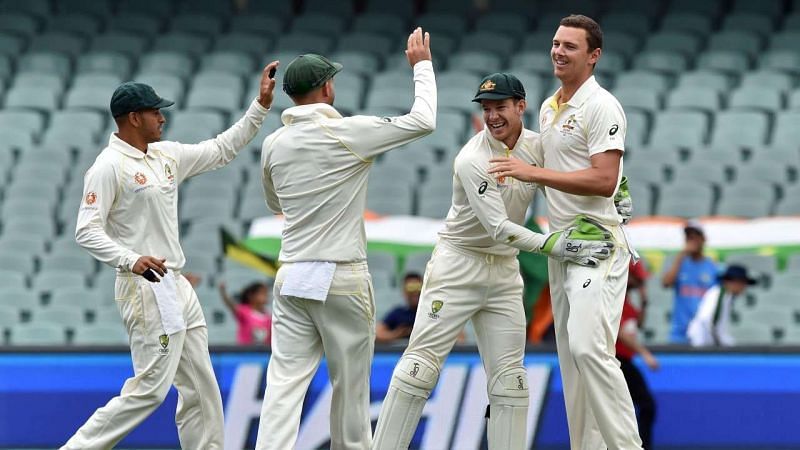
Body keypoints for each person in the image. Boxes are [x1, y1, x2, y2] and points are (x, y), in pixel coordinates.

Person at [372, 72, 615, 450]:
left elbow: (582, 171)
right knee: (418, 370)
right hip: (458, 265)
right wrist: (561, 246)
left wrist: (618, 196)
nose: (492, 116)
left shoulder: (538, 146)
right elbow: (500, 228)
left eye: (500, 107)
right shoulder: (473, 159)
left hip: (504, 272)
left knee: (511, 383)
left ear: (521, 106)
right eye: (486, 109)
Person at [63, 62, 279, 450]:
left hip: (176, 284)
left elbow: (220, 149)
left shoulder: (165, 156)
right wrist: (131, 259)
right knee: (149, 389)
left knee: (201, 385)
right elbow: (86, 229)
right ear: (133, 118)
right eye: (154, 112)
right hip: (145, 287)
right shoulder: (108, 166)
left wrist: (260, 106)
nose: (162, 118)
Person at [255, 28, 436, 450]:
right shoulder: (349, 132)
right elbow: (424, 121)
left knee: (283, 385)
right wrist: (422, 67)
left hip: (292, 274)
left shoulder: (274, 143)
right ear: (326, 88)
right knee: (351, 388)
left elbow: (273, 201)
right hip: (339, 275)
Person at [488, 14, 643, 449]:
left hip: (597, 243)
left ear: (593, 57)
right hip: (563, 246)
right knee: (572, 362)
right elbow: (573, 164)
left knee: (589, 349)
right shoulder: (549, 105)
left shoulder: (601, 106)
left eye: (570, 46)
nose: (558, 51)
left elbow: (603, 180)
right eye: (556, 43)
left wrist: (533, 173)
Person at [617, 259, 658, 449]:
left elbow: (639, 324)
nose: (641, 283)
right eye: (638, 279)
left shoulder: (627, 301)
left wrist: (645, 301)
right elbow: (619, 332)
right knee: (644, 405)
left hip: (625, 360)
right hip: (617, 361)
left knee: (642, 407)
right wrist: (644, 353)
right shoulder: (613, 298)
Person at [662, 219, 719, 343]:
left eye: (695, 237)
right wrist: (681, 256)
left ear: (703, 239)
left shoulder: (713, 267)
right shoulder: (679, 263)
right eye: (688, 237)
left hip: (703, 333)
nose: (691, 241)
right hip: (679, 332)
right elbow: (666, 283)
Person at [687, 264, 756, 347]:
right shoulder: (718, 294)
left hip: (706, 344)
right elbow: (706, 320)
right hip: (702, 345)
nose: (744, 287)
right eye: (743, 283)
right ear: (734, 282)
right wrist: (718, 343)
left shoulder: (726, 296)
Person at [376, 273, 422, 343]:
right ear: (404, 291)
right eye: (410, 288)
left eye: (418, 287)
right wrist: (396, 334)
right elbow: (377, 334)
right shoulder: (398, 313)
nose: (415, 292)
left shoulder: (431, 314)